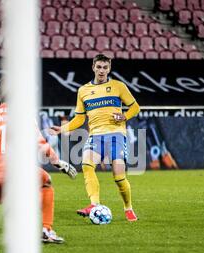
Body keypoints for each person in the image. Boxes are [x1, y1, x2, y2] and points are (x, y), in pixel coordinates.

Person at [0, 98, 77, 245]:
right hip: (18, 169)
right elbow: (40, 143)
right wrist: (57, 161)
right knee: (46, 182)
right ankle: (46, 230)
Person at [50, 54, 140, 221]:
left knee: (119, 177)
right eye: (99, 67)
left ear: (109, 69)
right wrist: (62, 129)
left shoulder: (118, 86)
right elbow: (79, 118)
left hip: (116, 135)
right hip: (95, 135)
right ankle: (94, 204)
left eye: (105, 67)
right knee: (86, 164)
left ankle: (128, 208)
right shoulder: (83, 91)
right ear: (93, 67)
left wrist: (124, 117)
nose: (101, 71)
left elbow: (135, 107)